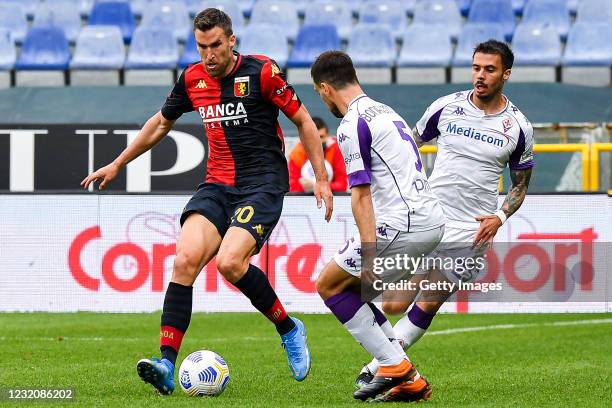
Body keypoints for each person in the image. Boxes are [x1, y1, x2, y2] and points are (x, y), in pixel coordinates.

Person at [81, 8, 333, 395]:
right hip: (217, 184)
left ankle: (288, 328)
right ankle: (166, 362)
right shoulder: (192, 78)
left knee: (230, 263)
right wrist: (117, 163)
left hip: (262, 185)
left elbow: (302, 121)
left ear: (232, 41)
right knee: (184, 260)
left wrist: (320, 178)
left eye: (215, 45)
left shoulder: (263, 73)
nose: (208, 55)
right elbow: (161, 124)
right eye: (202, 47)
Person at [355, 40, 535, 395]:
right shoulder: (446, 107)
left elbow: (520, 185)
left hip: (472, 231)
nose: (480, 76)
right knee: (392, 303)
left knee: (429, 301)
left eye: (490, 70)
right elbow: (408, 145)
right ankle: (392, 366)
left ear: (506, 74)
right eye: (476, 68)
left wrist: (500, 215)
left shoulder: (518, 127)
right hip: (429, 218)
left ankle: (379, 368)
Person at [311, 50, 446, 402]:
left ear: (325, 89)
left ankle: (394, 366)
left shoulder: (351, 123)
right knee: (353, 289)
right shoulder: (385, 110)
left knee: (329, 285)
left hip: (403, 222)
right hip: (428, 218)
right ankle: (408, 380)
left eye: (318, 93)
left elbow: (361, 195)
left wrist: (370, 252)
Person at [288, 117, 348, 193]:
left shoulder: (335, 149)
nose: (318, 141)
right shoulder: (297, 153)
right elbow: (292, 187)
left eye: (321, 137)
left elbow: (342, 185)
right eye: (312, 137)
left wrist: (317, 186)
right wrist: (305, 187)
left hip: (331, 195)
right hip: (305, 197)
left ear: (328, 136)